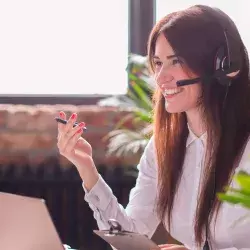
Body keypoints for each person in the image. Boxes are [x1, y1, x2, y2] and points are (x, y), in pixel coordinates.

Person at [56, 4, 250, 250]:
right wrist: (87, 169)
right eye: (158, 63)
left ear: (223, 66)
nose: (160, 78)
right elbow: (130, 236)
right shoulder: (162, 148)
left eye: (175, 61)